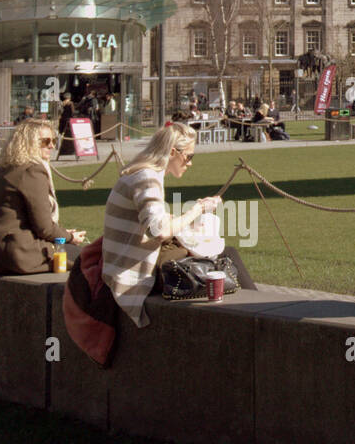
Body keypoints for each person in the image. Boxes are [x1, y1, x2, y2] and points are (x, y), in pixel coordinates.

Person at [102, 122, 255, 327]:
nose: (190, 163)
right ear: (173, 152)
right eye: (189, 156)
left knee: (217, 253)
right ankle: (257, 313)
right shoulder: (148, 177)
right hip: (133, 275)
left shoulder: (142, 173)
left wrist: (191, 214)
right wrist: (196, 211)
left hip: (126, 264)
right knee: (225, 256)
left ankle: (255, 311)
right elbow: (160, 230)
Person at [0, 120, 87, 275]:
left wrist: (62, 233)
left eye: (54, 140)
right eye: (46, 141)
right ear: (29, 143)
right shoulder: (32, 170)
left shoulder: (4, 168)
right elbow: (44, 228)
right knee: (88, 258)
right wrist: (70, 236)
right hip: (13, 254)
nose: (52, 146)